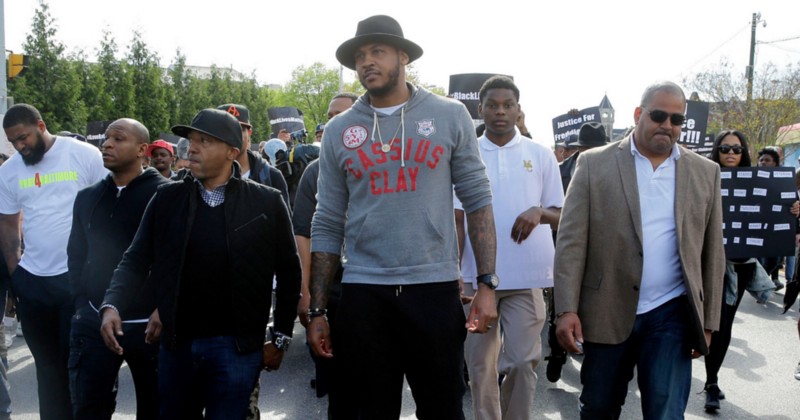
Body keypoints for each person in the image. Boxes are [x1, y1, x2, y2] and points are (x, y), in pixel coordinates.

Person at [308, 14, 498, 419]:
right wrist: (318, 311)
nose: (366, 62)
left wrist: (486, 284)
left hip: (432, 287)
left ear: (403, 56)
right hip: (364, 292)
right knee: (367, 411)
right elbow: (326, 220)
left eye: (378, 51)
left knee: (442, 409)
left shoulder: (449, 116)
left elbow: (478, 200)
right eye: (360, 55)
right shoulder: (341, 130)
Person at [99, 109, 301, 419]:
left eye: (204, 141)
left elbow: (289, 271)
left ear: (232, 151)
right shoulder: (167, 199)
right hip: (178, 346)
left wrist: (281, 337)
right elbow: (136, 259)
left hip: (236, 349)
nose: (191, 148)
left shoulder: (266, 202)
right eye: (191, 140)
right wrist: (113, 305)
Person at [554, 81, 725, 419]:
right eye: (659, 115)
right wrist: (566, 310)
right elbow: (571, 243)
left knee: (665, 410)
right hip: (605, 309)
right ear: (638, 114)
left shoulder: (706, 172)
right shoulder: (593, 164)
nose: (668, 125)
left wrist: (708, 320)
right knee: (599, 407)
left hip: (671, 312)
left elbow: (711, 251)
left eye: (677, 120)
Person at [455, 75, 563, 419]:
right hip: (475, 280)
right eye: (492, 105)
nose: (500, 112)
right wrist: (456, 272)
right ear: (480, 109)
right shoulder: (465, 154)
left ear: (518, 110)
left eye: (507, 105)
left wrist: (538, 212)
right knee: (481, 366)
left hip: (527, 277)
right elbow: (457, 219)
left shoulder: (540, 154)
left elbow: (563, 215)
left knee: (522, 361)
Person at [0, 103, 108, 420]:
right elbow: (7, 225)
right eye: (13, 142)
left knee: (77, 365)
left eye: (24, 137)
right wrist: (16, 271)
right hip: (33, 283)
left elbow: (108, 207)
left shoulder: (84, 155)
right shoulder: (9, 173)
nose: (20, 146)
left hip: (77, 281)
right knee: (47, 369)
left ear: (41, 125)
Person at [67, 118, 168, 420]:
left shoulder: (167, 195)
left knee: (157, 409)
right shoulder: (88, 197)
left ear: (142, 149)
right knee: (89, 408)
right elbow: (75, 254)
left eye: (118, 139)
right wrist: (82, 306)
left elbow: (179, 260)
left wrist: (165, 308)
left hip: (151, 326)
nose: (107, 144)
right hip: (95, 320)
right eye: (106, 138)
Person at [702, 130, 800, 412]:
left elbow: (779, 218)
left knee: (723, 325)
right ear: (716, 151)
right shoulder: (704, 177)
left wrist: (792, 210)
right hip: (709, 264)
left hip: (741, 265)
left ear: (744, 151)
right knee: (709, 323)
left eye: (736, 148)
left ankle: (711, 381)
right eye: (724, 148)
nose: (730, 153)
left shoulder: (763, 182)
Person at [294, 92, 357, 417]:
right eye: (330, 115)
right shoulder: (314, 172)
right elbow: (303, 234)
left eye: (342, 115)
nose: (334, 122)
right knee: (338, 389)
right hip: (331, 295)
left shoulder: (384, 164)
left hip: (375, 292)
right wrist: (307, 294)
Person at [546, 121, 608, 384]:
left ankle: (591, 363)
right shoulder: (559, 172)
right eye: (587, 148)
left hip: (599, 255)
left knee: (593, 311)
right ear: (579, 149)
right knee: (560, 308)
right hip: (564, 249)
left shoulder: (612, 173)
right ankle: (558, 354)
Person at [217, 103, 290, 208]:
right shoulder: (201, 177)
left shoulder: (271, 177)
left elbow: (283, 222)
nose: (232, 135)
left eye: (239, 129)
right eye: (226, 129)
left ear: (249, 132)